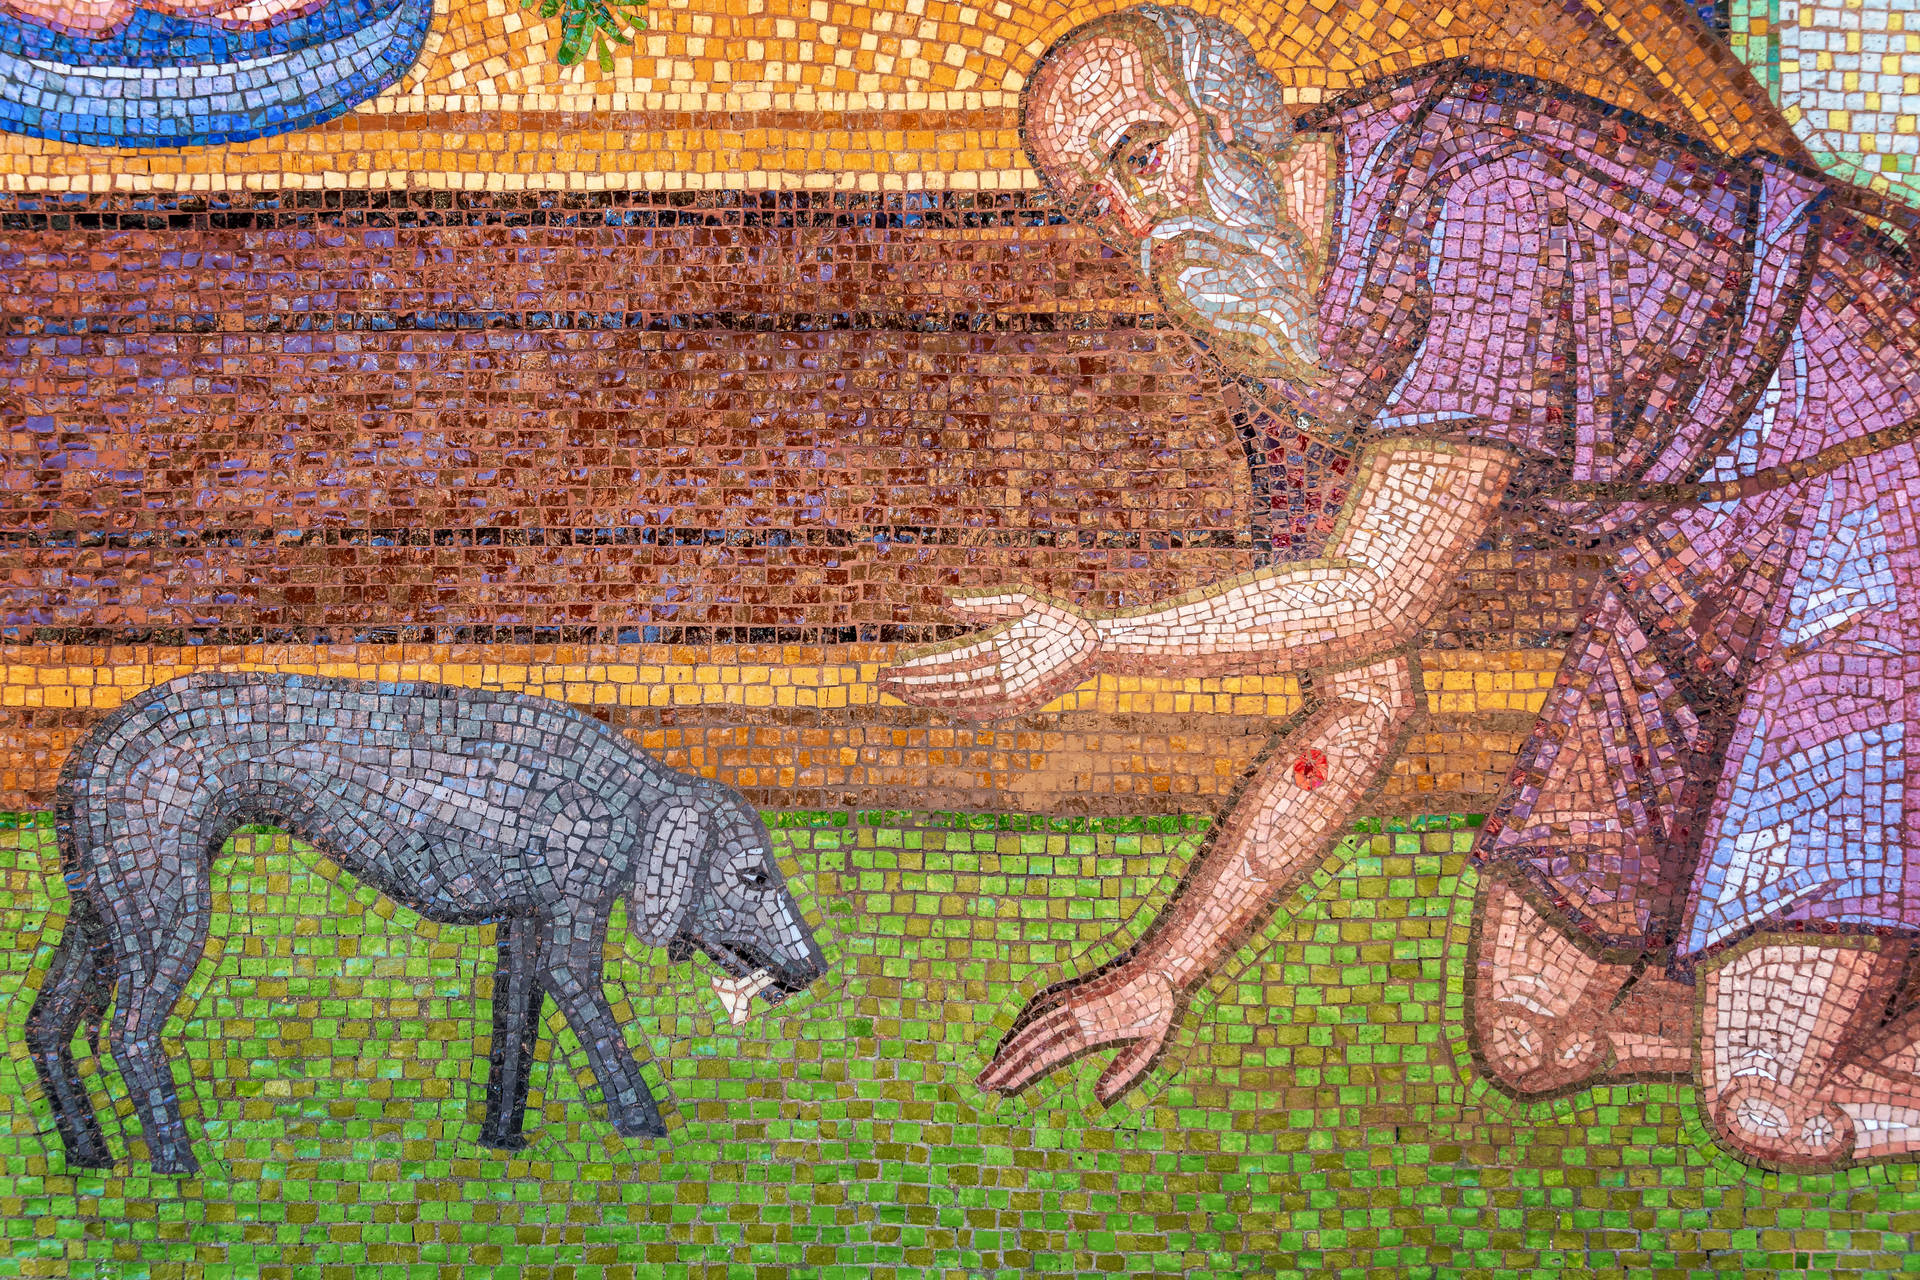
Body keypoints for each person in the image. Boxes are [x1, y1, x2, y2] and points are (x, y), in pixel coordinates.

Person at [881, 3, 1920, 1167]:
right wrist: (1161, 969)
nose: (1133, 219)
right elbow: (1354, 700)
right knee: (1531, 1033)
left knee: (1767, 1107)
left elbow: (1380, 590)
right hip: (1682, 556)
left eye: (1140, 155)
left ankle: (1810, 1011)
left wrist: (1099, 641)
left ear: (1234, 116)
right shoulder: (1269, 326)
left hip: (1869, 478)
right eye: (1093, 203)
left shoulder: (1475, 186)